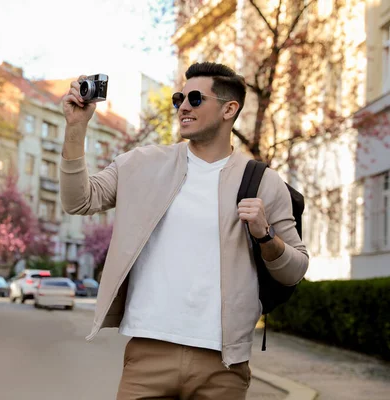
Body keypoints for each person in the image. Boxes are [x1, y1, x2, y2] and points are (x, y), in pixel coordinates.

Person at [59, 62, 309, 400]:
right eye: (180, 98)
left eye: (195, 98)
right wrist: (76, 127)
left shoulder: (264, 182)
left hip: (223, 365)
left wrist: (266, 236)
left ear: (228, 109)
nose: (183, 106)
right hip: (148, 354)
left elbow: (295, 269)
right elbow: (79, 200)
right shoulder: (142, 163)